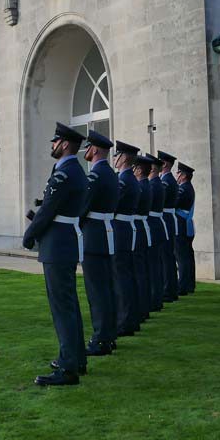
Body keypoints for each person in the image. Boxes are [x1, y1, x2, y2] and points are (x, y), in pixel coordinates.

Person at [22, 123, 89, 387]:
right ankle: (75, 358)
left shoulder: (65, 173)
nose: (52, 146)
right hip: (65, 241)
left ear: (63, 144)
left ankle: (69, 367)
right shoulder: (75, 171)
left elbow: (49, 208)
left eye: (54, 142)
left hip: (57, 244)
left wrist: (29, 235)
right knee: (68, 304)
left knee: (62, 307)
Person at [80, 130, 119, 356]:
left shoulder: (95, 176)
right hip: (105, 233)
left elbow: (83, 206)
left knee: (97, 291)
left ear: (94, 149)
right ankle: (109, 335)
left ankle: (101, 339)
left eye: (88, 147)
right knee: (106, 288)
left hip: (93, 236)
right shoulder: (111, 174)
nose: (86, 150)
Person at [112, 141, 142, 337]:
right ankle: (130, 318)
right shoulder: (129, 179)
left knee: (120, 276)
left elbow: (113, 204)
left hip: (120, 230)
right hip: (125, 229)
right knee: (126, 275)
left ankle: (125, 321)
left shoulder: (124, 180)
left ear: (123, 158)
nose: (114, 159)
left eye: (116, 155)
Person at [132, 154, 155, 320]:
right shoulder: (146, 185)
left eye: (134, 168)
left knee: (138, 271)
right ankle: (144, 306)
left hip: (137, 228)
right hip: (141, 227)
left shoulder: (141, 186)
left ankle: (141, 308)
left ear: (139, 170)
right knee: (142, 269)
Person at [158, 151, 180, 303]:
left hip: (165, 218)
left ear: (164, 164)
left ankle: (168, 290)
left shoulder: (166, 182)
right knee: (168, 257)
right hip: (168, 218)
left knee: (166, 257)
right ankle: (171, 289)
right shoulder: (169, 180)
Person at [146, 158, 167, 310]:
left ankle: (154, 299)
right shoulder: (157, 184)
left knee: (152, 266)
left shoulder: (153, 185)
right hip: (156, 224)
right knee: (156, 265)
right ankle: (157, 298)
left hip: (152, 225)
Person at [175, 162, 197, 295]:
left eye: (178, 173)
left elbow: (174, 202)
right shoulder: (187, 187)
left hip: (181, 224)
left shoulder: (184, 189)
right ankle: (189, 284)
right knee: (187, 256)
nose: (176, 175)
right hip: (185, 224)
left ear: (183, 176)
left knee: (182, 257)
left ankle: (183, 285)